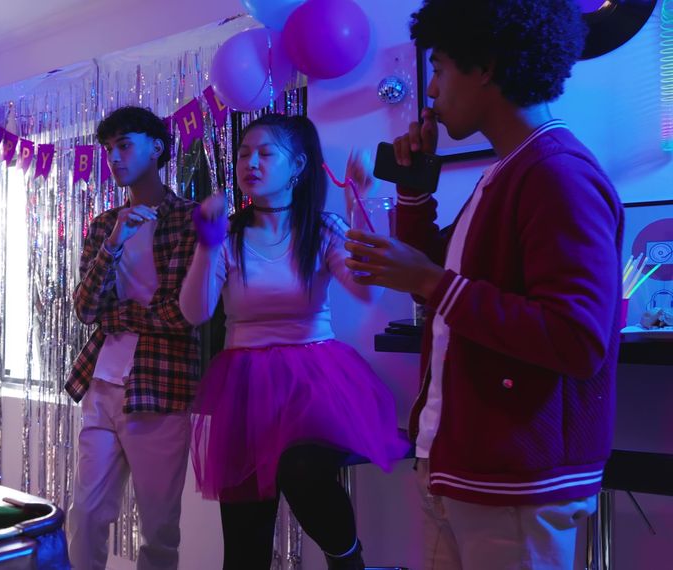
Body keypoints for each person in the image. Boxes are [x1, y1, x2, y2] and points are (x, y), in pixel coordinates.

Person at [343, 1, 623, 568]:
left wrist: (429, 281)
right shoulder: (510, 169)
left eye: (441, 68)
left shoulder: (556, 173)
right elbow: (449, 282)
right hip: (469, 469)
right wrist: (417, 192)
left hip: (518, 479)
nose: (431, 92)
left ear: (487, 66)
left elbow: (576, 338)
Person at [179, 113, 408, 569]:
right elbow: (195, 312)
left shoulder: (322, 228)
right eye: (244, 153)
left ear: (299, 165)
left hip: (314, 380)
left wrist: (355, 206)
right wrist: (206, 247)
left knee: (302, 471)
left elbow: (367, 291)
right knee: (245, 541)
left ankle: (349, 560)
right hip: (244, 382)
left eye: (266, 153)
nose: (251, 162)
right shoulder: (230, 238)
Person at [64, 106, 199, 570]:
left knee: (159, 527)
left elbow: (182, 313)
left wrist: (117, 314)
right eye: (107, 149)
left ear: (157, 148)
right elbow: (85, 309)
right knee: (85, 512)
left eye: (124, 145)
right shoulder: (105, 224)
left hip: (159, 386)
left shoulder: (189, 219)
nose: (114, 157)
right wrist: (113, 243)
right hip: (101, 383)